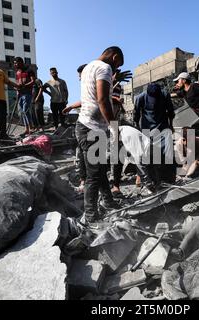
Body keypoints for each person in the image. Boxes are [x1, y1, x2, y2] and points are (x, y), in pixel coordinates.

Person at [76, 46, 124, 224]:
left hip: (87, 126)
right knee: (94, 175)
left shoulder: (89, 66)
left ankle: (108, 201)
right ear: (114, 56)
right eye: (117, 64)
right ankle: (90, 216)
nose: (116, 68)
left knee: (99, 169)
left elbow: (98, 94)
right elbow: (102, 99)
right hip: (92, 128)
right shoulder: (104, 68)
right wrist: (113, 126)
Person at [134, 82, 176, 190]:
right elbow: (136, 115)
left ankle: (169, 181)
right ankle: (150, 182)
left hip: (163, 128)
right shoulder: (140, 98)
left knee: (167, 156)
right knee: (147, 156)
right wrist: (138, 131)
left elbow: (170, 111)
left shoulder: (164, 95)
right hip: (147, 130)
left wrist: (171, 125)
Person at [63, 64, 88, 193]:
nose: (79, 79)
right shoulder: (86, 85)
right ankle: (84, 183)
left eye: (80, 76)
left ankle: (89, 185)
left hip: (91, 126)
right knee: (84, 155)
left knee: (91, 157)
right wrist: (72, 106)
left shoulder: (94, 83)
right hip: (85, 125)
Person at [14, 57, 36, 135]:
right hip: (20, 94)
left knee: (26, 109)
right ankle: (26, 129)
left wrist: (24, 86)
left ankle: (31, 127)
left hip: (27, 93)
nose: (15, 64)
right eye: (14, 63)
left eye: (16, 63)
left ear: (21, 62)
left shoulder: (29, 70)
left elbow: (33, 81)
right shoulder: (17, 73)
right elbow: (17, 82)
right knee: (22, 112)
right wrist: (17, 89)